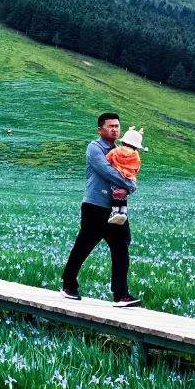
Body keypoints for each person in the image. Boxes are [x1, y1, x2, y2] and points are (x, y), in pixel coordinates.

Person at [61, 113, 141, 307]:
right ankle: (68, 283)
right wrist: (130, 184)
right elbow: (106, 171)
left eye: (117, 126)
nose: (115, 129)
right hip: (95, 206)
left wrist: (129, 182)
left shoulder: (122, 151)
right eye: (110, 126)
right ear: (100, 129)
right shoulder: (94, 148)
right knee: (84, 245)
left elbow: (131, 171)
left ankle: (121, 294)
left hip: (115, 208)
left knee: (121, 247)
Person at [105, 127, 146, 225]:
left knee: (116, 194)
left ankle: (115, 212)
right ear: (136, 146)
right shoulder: (135, 155)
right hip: (130, 181)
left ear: (124, 141)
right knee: (123, 195)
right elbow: (137, 168)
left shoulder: (115, 151)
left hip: (118, 178)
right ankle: (123, 212)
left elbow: (106, 160)